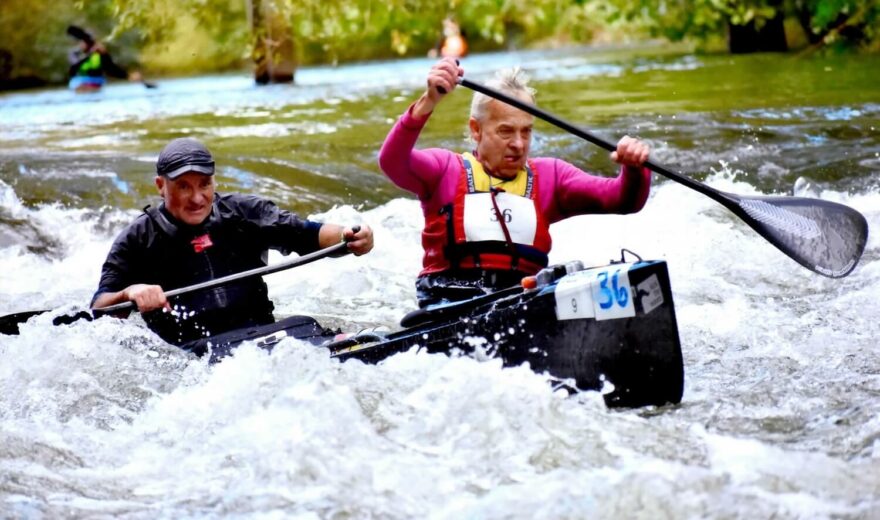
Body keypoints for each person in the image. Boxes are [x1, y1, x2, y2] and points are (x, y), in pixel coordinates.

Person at [378, 58, 651, 308]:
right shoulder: (444, 171)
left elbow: (622, 200)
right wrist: (429, 101)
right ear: (476, 129)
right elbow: (392, 161)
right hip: (448, 306)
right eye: (506, 131)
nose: (518, 144)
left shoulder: (551, 177)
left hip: (520, 302)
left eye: (526, 131)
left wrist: (634, 168)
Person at [91, 138, 374, 347]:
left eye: (204, 184)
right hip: (192, 355)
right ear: (160, 186)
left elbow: (309, 235)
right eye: (183, 187)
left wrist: (349, 237)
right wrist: (130, 292)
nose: (198, 198)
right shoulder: (136, 239)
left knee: (311, 327)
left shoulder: (246, 213)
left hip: (265, 338)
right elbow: (99, 309)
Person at [66, 25, 142, 92]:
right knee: (79, 86)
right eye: (83, 41)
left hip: (95, 81)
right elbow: (74, 67)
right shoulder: (74, 53)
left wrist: (128, 76)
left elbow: (111, 69)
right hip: (79, 81)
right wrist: (90, 54)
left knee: (90, 87)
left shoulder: (99, 53)